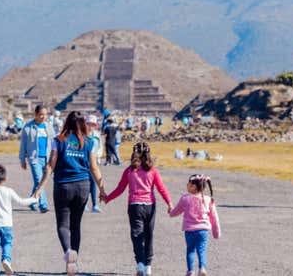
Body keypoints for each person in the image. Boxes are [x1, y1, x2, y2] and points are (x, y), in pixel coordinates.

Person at [33, 111, 106, 276]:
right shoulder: (88, 142)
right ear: (82, 124)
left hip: (63, 186)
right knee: (75, 225)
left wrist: (40, 187)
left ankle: (68, 252)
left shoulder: (58, 140)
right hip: (83, 187)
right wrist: (101, 189)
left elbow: (50, 166)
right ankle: (74, 263)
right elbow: (94, 168)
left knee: (62, 224)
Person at [104, 142, 174, 276]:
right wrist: (169, 203)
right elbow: (161, 188)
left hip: (135, 206)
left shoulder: (130, 170)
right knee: (148, 235)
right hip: (150, 206)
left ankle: (140, 263)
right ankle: (148, 266)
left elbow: (120, 188)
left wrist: (108, 198)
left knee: (136, 236)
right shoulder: (153, 171)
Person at [0, 165, 38, 276]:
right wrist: (34, 199)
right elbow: (21, 201)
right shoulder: (9, 191)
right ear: (5, 179)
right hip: (7, 224)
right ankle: (6, 260)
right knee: (7, 244)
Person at [169, 175, 221, 276]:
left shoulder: (185, 198)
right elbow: (214, 217)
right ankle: (202, 268)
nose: (187, 185)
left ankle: (190, 271)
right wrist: (216, 233)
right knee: (201, 251)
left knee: (190, 251)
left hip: (189, 230)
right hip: (203, 231)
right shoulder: (208, 199)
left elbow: (176, 211)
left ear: (194, 186)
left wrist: (171, 212)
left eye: (188, 184)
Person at [19, 105, 55, 213]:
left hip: (47, 158)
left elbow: (53, 143)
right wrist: (22, 159)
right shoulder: (28, 127)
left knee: (38, 182)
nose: (43, 117)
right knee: (39, 180)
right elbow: (23, 145)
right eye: (41, 114)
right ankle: (43, 205)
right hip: (34, 159)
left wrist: (54, 157)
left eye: (45, 114)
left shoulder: (48, 126)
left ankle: (32, 201)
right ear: (35, 114)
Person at [85, 114, 103, 213]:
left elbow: (100, 147)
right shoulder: (82, 135)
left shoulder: (97, 135)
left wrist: (98, 157)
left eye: (93, 124)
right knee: (84, 184)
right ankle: (84, 204)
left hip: (94, 161)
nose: (90, 126)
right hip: (84, 162)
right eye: (89, 124)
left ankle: (95, 204)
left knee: (93, 183)